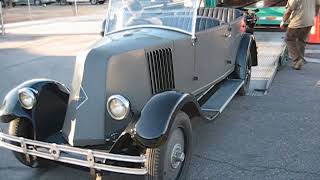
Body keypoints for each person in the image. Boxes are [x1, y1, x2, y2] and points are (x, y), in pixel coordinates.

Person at [280, 0, 320, 70]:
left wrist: (283, 21)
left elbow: (289, 10)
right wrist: (313, 15)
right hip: (309, 21)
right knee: (301, 40)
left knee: (289, 39)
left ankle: (297, 60)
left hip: (297, 22)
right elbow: (318, 5)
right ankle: (298, 63)